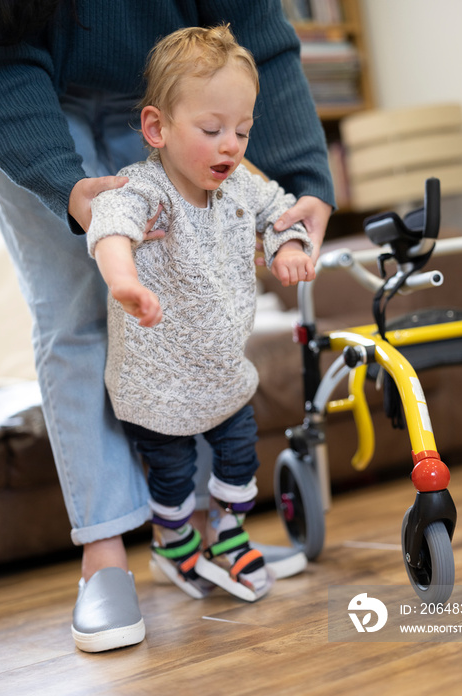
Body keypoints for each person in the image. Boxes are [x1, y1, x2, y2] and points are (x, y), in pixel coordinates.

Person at [0, 1, 335, 653]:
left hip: (168, 94)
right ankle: (103, 558)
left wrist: (303, 182)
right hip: (26, 91)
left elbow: (257, 37)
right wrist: (75, 200)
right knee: (72, 316)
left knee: (184, 299)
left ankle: (198, 536)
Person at [87, 24, 315, 617]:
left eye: (242, 131)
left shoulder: (240, 184)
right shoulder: (146, 189)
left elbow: (281, 211)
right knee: (173, 473)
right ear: (157, 128)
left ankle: (231, 532)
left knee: (240, 458)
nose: (230, 146)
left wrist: (288, 247)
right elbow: (110, 226)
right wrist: (123, 280)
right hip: (156, 381)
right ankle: (177, 543)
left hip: (221, 371)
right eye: (212, 130)